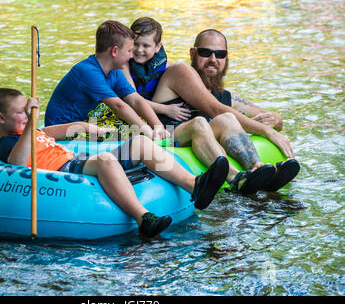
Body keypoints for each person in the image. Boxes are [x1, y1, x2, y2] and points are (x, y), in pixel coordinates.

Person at [0, 88, 230, 238]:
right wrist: (31, 123)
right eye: (21, 112)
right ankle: (143, 218)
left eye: (28, 112)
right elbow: (18, 164)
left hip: (77, 160)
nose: (27, 116)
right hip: (65, 172)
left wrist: (87, 127)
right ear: (0, 118)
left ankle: (194, 186)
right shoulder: (7, 142)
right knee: (105, 159)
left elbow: (61, 130)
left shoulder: (34, 130)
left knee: (141, 143)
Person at [122, 19, 299, 194]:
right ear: (193, 54)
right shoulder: (180, 72)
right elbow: (214, 109)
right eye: (206, 52)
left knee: (227, 118)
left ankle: (258, 168)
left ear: (226, 58)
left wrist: (277, 119)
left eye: (220, 54)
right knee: (200, 122)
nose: (213, 59)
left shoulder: (224, 96)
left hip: (189, 134)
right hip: (166, 134)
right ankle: (235, 178)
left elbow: (264, 117)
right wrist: (266, 131)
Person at [44, 20, 170, 141]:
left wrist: (157, 126)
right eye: (129, 51)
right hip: (67, 131)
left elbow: (135, 100)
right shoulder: (87, 71)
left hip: (90, 120)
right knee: (135, 132)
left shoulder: (114, 71)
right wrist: (146, 131)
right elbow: (118, 106)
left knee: (137, 118)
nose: (132, 55)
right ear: (115, 51)